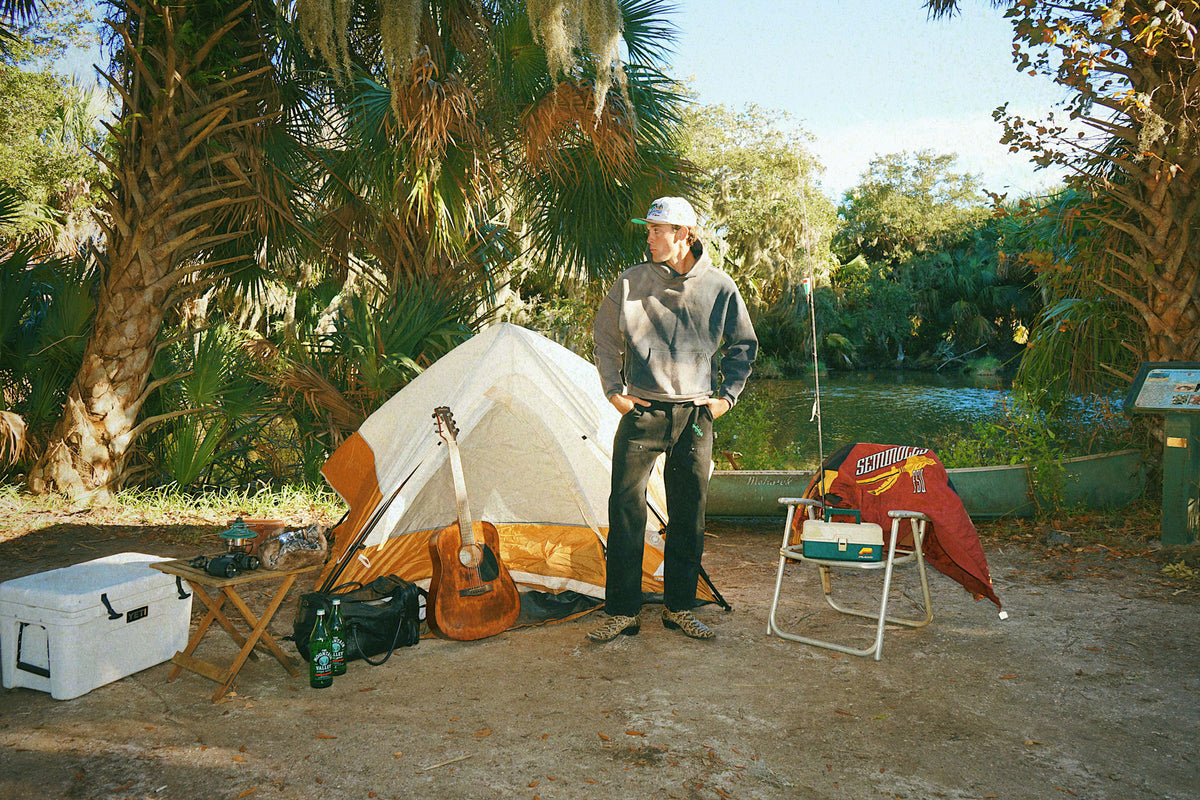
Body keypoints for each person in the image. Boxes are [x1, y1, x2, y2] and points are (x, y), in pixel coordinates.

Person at [589, 196, 758, 642]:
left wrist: (725, 400)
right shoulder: (631, 281)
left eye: (657, 231)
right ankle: (621, 612)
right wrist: (615, 392)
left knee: (689, 513)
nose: (649, 238)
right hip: (642, 411)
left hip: (696, 417)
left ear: (684, 235)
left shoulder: (720, 286)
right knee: (625, 510)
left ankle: (679, 608)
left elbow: (743, 345)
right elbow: (604, 336)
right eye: (648, 230)